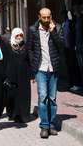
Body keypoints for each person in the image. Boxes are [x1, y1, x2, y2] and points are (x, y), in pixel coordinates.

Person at [27, 7, 63, 139]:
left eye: (48, 17)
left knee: (52, 99)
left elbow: (61, 46)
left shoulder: (57, 28)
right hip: (40, 69)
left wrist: (53, 32)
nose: (47, 20)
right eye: (44, 17)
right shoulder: (33, 30)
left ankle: (52, 125)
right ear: (39, 17)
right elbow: (29, 49)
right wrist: (33, 67)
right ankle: (44, 126)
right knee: (43, 97)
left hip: (53, 68)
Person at [5, 28, 31, 123]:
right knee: (13, 95)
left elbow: (29, 59)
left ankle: (24, 115)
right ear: (13, 36)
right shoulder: (8, 46)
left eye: (21, 35)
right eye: (17, 36)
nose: (19, 37)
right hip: (12, 75)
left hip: (24, 75)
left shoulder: (25, 46)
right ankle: (14, 114)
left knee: (24, 95)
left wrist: (32, 75)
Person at [62, 10, 81, 91]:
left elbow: (73, 34)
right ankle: (71, 82)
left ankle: (77, 83)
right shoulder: (65, 23)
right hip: (66, 47)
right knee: (69, 66)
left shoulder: (72, 23)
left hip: (72, 47)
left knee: (74, 65)